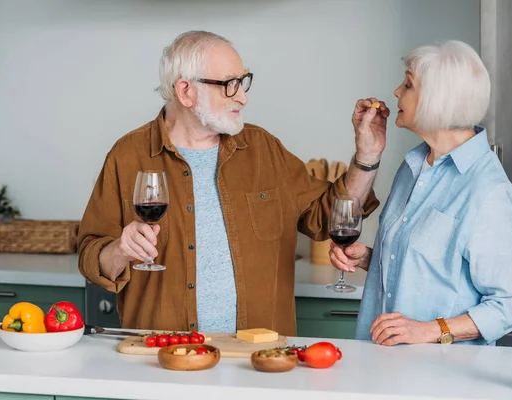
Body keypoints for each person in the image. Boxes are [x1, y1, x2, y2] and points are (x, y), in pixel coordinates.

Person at [77, 30, 388, 336]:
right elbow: (92, 257)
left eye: (243, 81)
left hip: (259, 360)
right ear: (186, 91)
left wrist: (367, 154)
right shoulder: (127, 156)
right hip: (164, 359)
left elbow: (330, 215)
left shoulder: (263, 149)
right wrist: (120, 249)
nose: (243, 96)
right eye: (229, 84)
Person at [329, 40, 512, 346]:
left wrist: (431, 329)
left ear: (438, 98)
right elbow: (433, 273)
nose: (396, 92)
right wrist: (369, 257)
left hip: (439, 379)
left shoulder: (488, 190)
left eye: (408, 84)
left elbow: (511, 304)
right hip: (380, 365)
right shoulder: (413, 166)